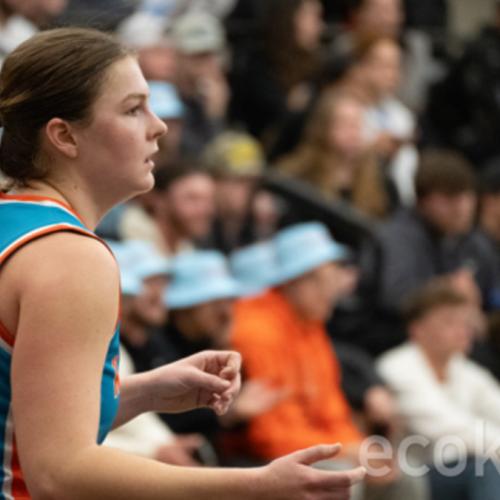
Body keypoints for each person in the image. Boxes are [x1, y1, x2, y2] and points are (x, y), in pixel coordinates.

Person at [0, 27, 364, 498]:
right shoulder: (70, 257)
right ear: (64, 135)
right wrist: (256, 485)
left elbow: (20, 411)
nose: (160, 125)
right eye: (133, 109)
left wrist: (144, 392)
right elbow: (58, 473)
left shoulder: (16, 221)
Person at [230, 222, 429, 500]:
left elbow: (330, 408)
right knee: (339, 478)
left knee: (405, 474)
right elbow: (269, 435)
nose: (332, 291)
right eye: (323, 281)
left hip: (308, 447)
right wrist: (343, 451)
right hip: (255, 458)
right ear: (295, 281)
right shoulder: (257, 330)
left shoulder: (310, 323)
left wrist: (357, 446)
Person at [377, 278, 500, 500]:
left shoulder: (464, 368)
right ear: (417, 329)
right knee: (484, 469)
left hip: (466, 467)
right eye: (449, 322)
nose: (463, 330)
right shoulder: (397, 368)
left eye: (465, 321)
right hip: (416, 475)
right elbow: (449, 429)